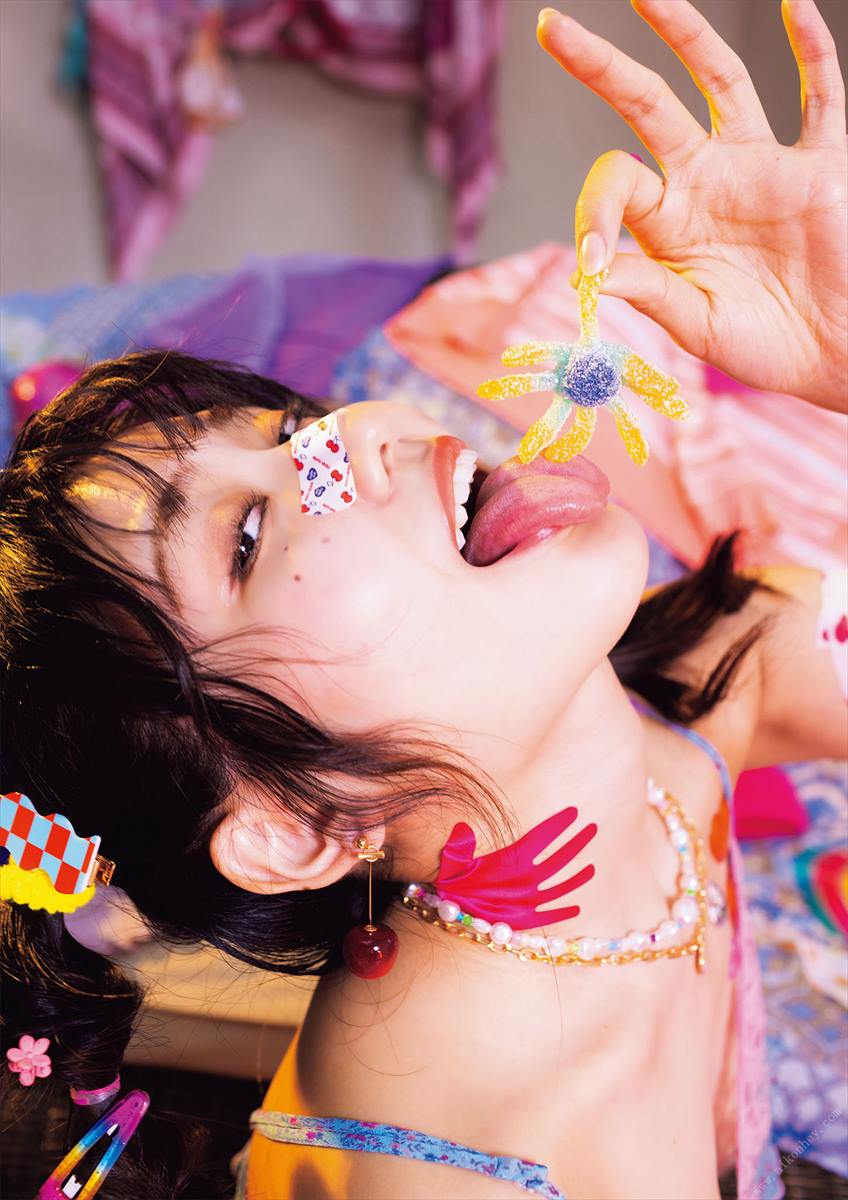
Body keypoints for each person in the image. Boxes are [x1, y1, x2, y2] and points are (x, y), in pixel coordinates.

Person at [0, 4, 845, 1200]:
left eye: (290, 427)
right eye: (247, 536)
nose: (352, 434)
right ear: (290, 825)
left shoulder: (711, 689)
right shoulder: (452, 1168)